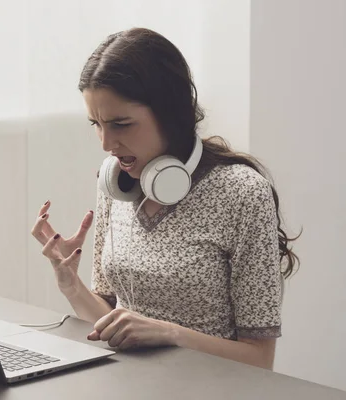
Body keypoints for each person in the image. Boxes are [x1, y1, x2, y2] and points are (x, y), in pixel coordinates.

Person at [31, 27, 300, 370]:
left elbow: (259, 360)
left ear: (170, 113)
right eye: (96, 124)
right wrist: (71, 286)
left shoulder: (243, 193)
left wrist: (171, 334)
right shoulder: (116, 183)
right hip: (126, 385)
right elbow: (108, 323)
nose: (106, 143)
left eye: (121, 124)